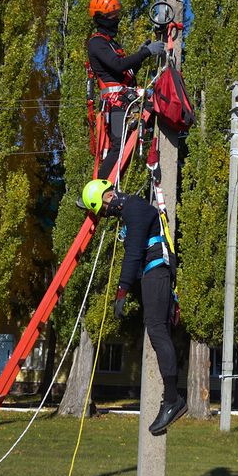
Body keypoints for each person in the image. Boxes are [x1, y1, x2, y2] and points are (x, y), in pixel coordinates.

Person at [77, 178, 186, 435]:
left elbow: (134, 253)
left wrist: (121, 291)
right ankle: (172, 399)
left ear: (105, 200)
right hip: (152, 274)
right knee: (155, 329)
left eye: (101, 211)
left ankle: (172, 400)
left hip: (156, 272)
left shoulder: (135, 208)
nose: (104, 216)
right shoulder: (129, 211)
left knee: (157, 330)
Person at [87, 0, 165, 179]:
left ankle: (111, 185)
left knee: (125, 147)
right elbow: (118, 65)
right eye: (113, 16)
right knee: (119, 145)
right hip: (116, 103)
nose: (117, 20)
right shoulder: (97, 43)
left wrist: (139, 55)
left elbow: (125, 74)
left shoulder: (110, 44)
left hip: (123, 100)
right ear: (101, 18)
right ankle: (98, 188)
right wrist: (145, 53)